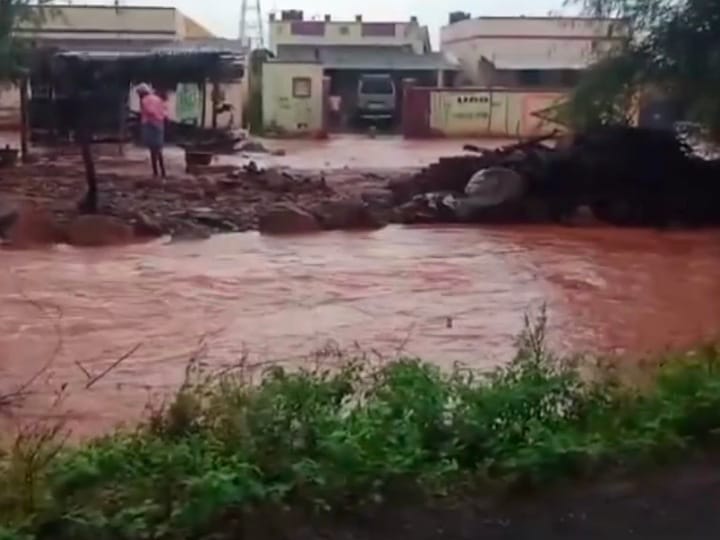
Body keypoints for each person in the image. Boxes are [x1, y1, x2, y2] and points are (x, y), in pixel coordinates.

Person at [136, 83, 167, 178]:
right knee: (158, 149)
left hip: (150, 125)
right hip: (159, 124)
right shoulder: (157, 99)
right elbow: (164, 111)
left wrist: (149, 118)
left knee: (153, 150)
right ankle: (162, 171)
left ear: (142, 92)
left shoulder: (144, 100)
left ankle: (156, 172)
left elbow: (149, 111)